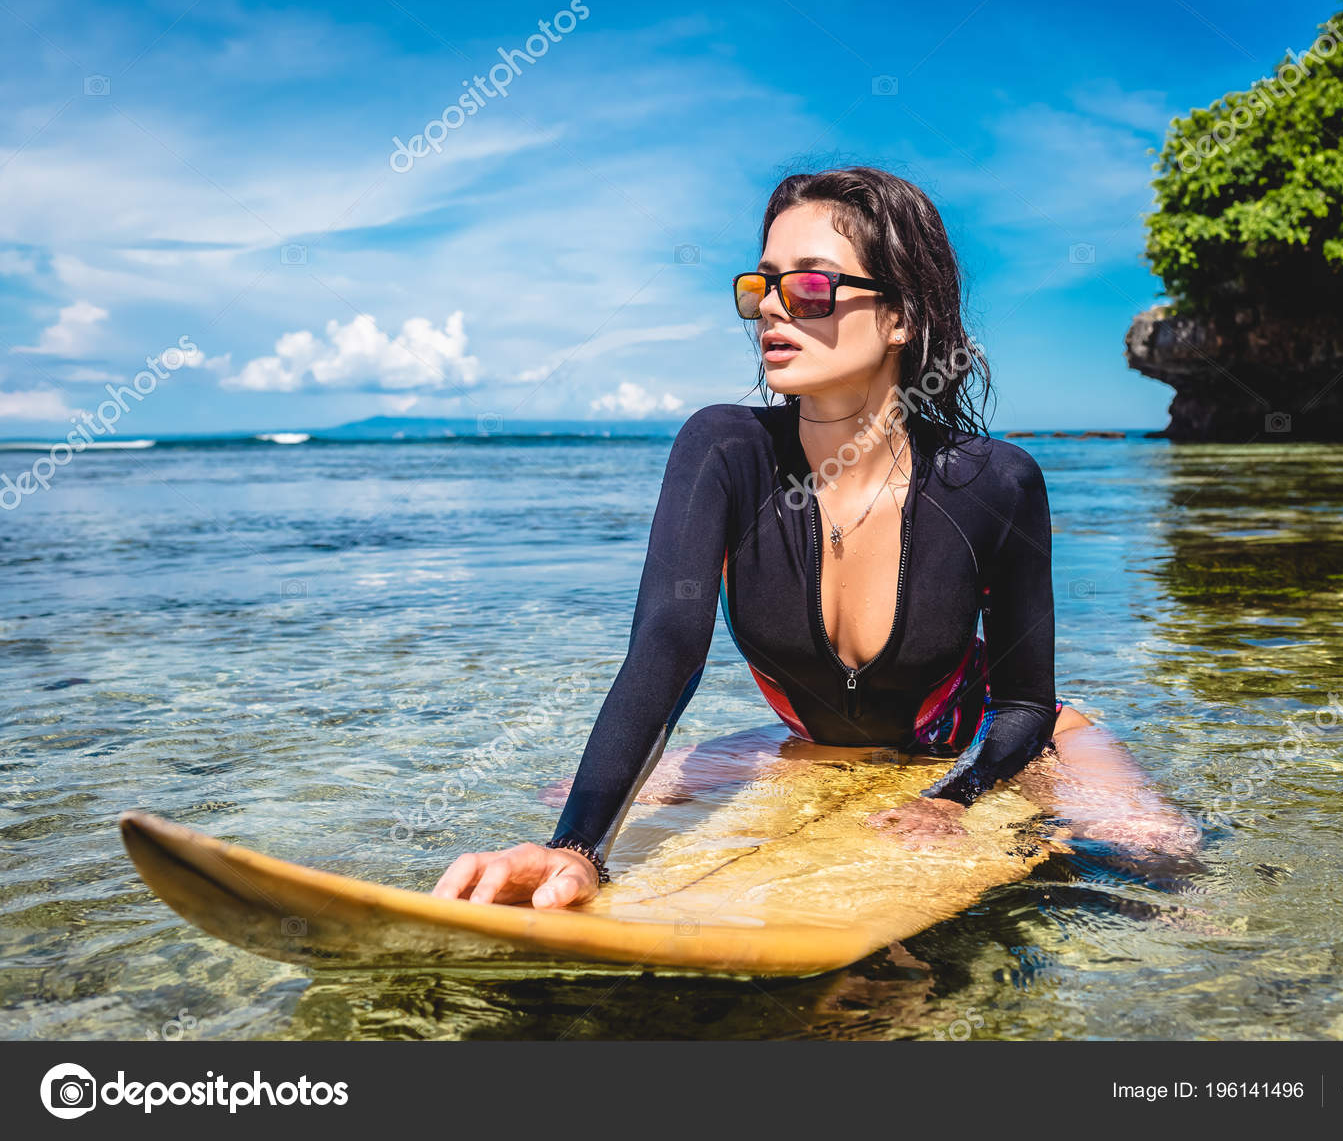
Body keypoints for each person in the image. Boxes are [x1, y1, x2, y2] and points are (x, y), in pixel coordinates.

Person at [431, 166, 1200, 910]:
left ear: (900, 316)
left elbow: (1027, 702)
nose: (772, 307)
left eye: (809, 285)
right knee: (574, 797)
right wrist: (577, 849)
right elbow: (665, 650)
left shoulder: (995, 482)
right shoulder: (722, 449)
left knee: (1156, 856)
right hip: (812, 742)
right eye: (762, 284)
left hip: (981, 742)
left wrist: (955, 800)